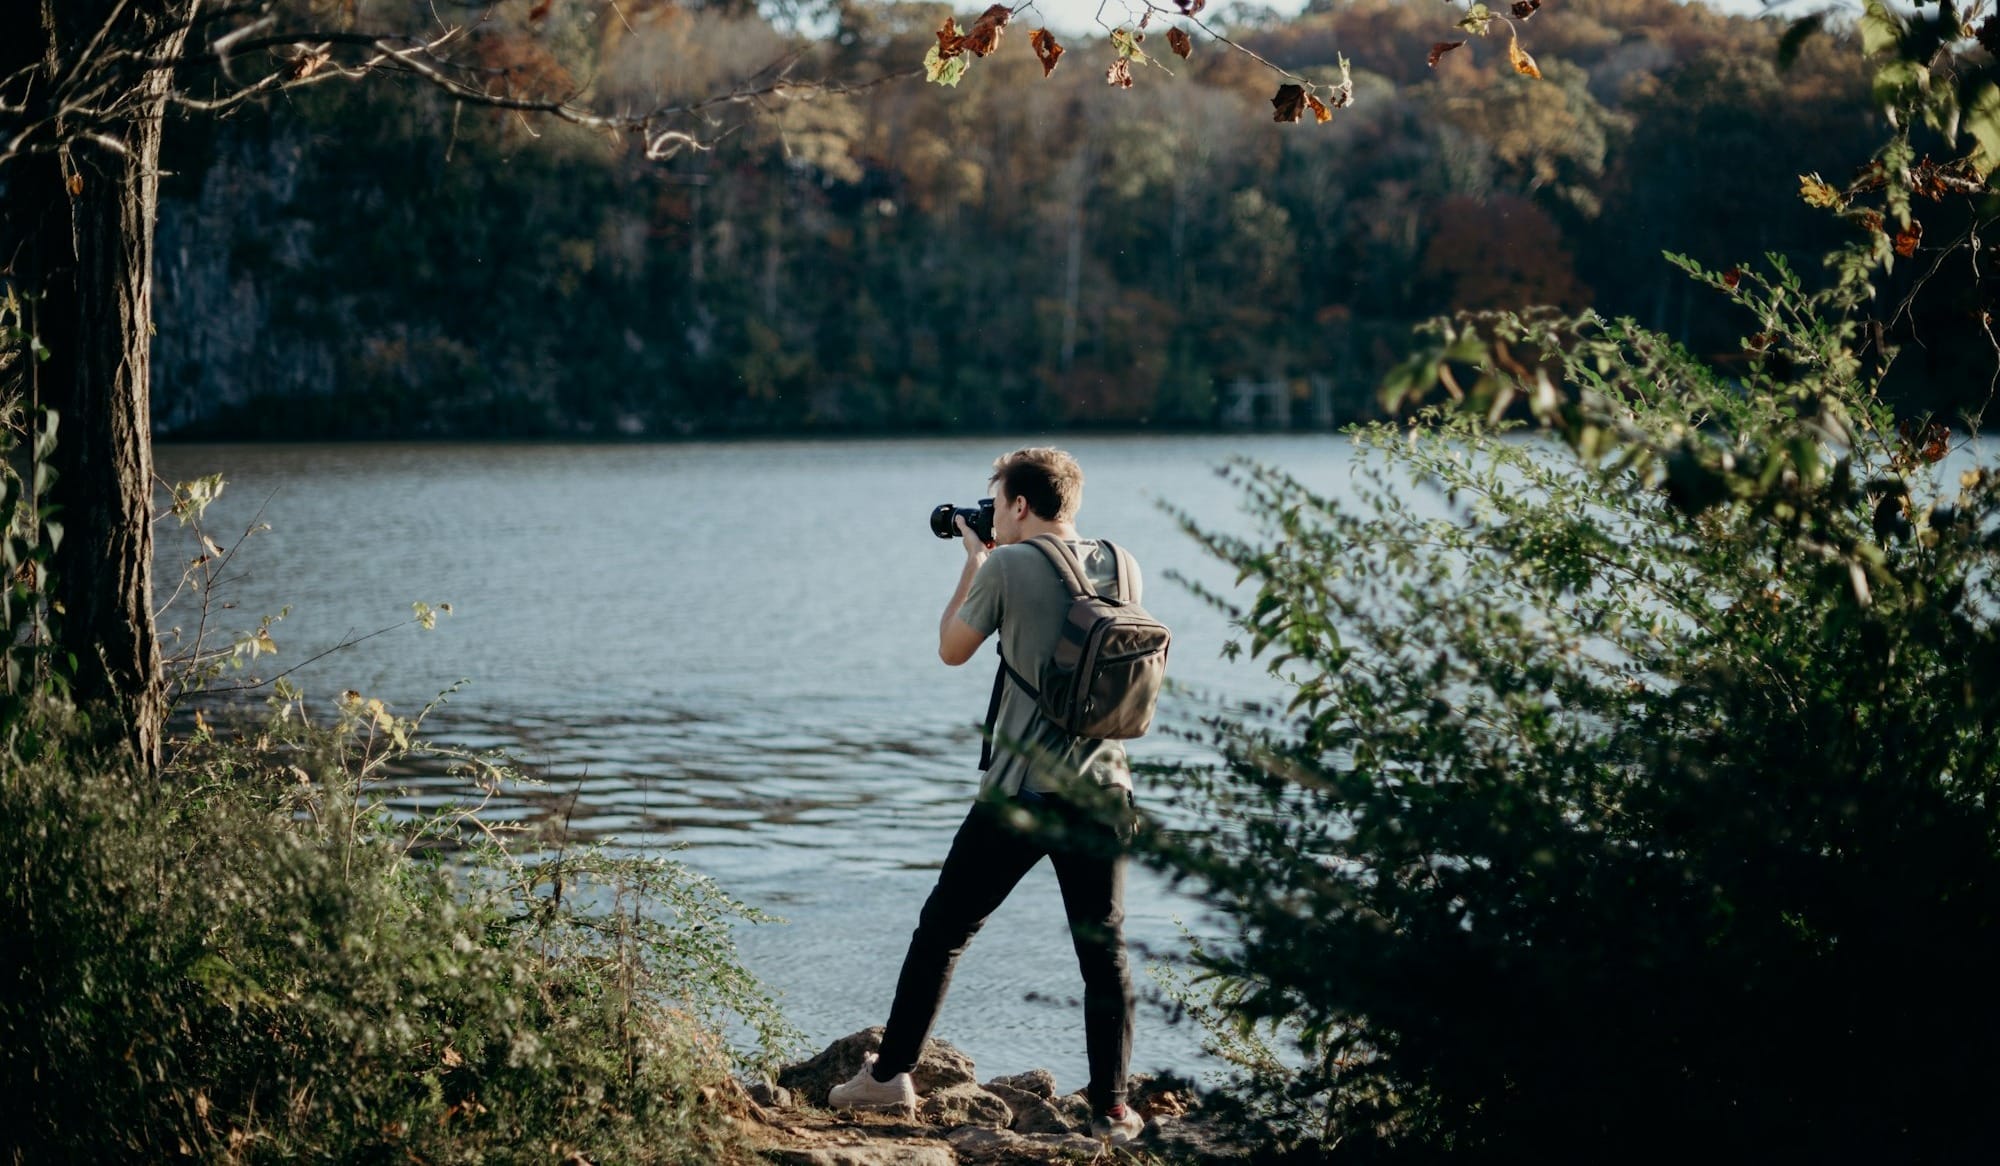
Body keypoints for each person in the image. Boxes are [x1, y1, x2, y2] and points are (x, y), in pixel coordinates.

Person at [827, 446, 1145, 1145]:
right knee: (1105, 951)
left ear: (1020, 506)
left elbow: (952, 648)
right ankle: (1114, 1109)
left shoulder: (1004, 564)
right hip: (1105, 789)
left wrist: (974, 560)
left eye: (996, 500)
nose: (991, 511)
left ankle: (888, 1078)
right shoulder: (1122, 560)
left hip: (1022, 791)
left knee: (943, 931)